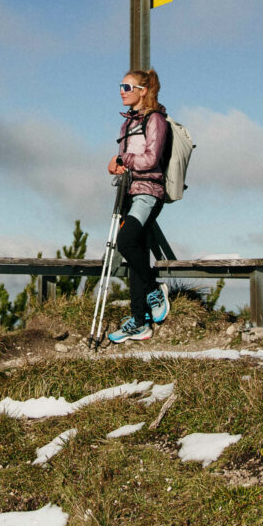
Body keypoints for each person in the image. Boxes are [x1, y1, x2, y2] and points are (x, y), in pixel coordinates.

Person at [105, 68, 172, 343]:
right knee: (136, 255)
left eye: (127, 86)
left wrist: (125, 161)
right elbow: (126, 158)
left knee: (126, 241)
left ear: (143, 91)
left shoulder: (155, 120)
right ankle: (140, 321)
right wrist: (114, 165)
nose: (122, 90)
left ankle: (154, 290)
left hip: (148, 192)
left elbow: (151, 159)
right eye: (120, 86)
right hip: (130, 193)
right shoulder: (127, 123)